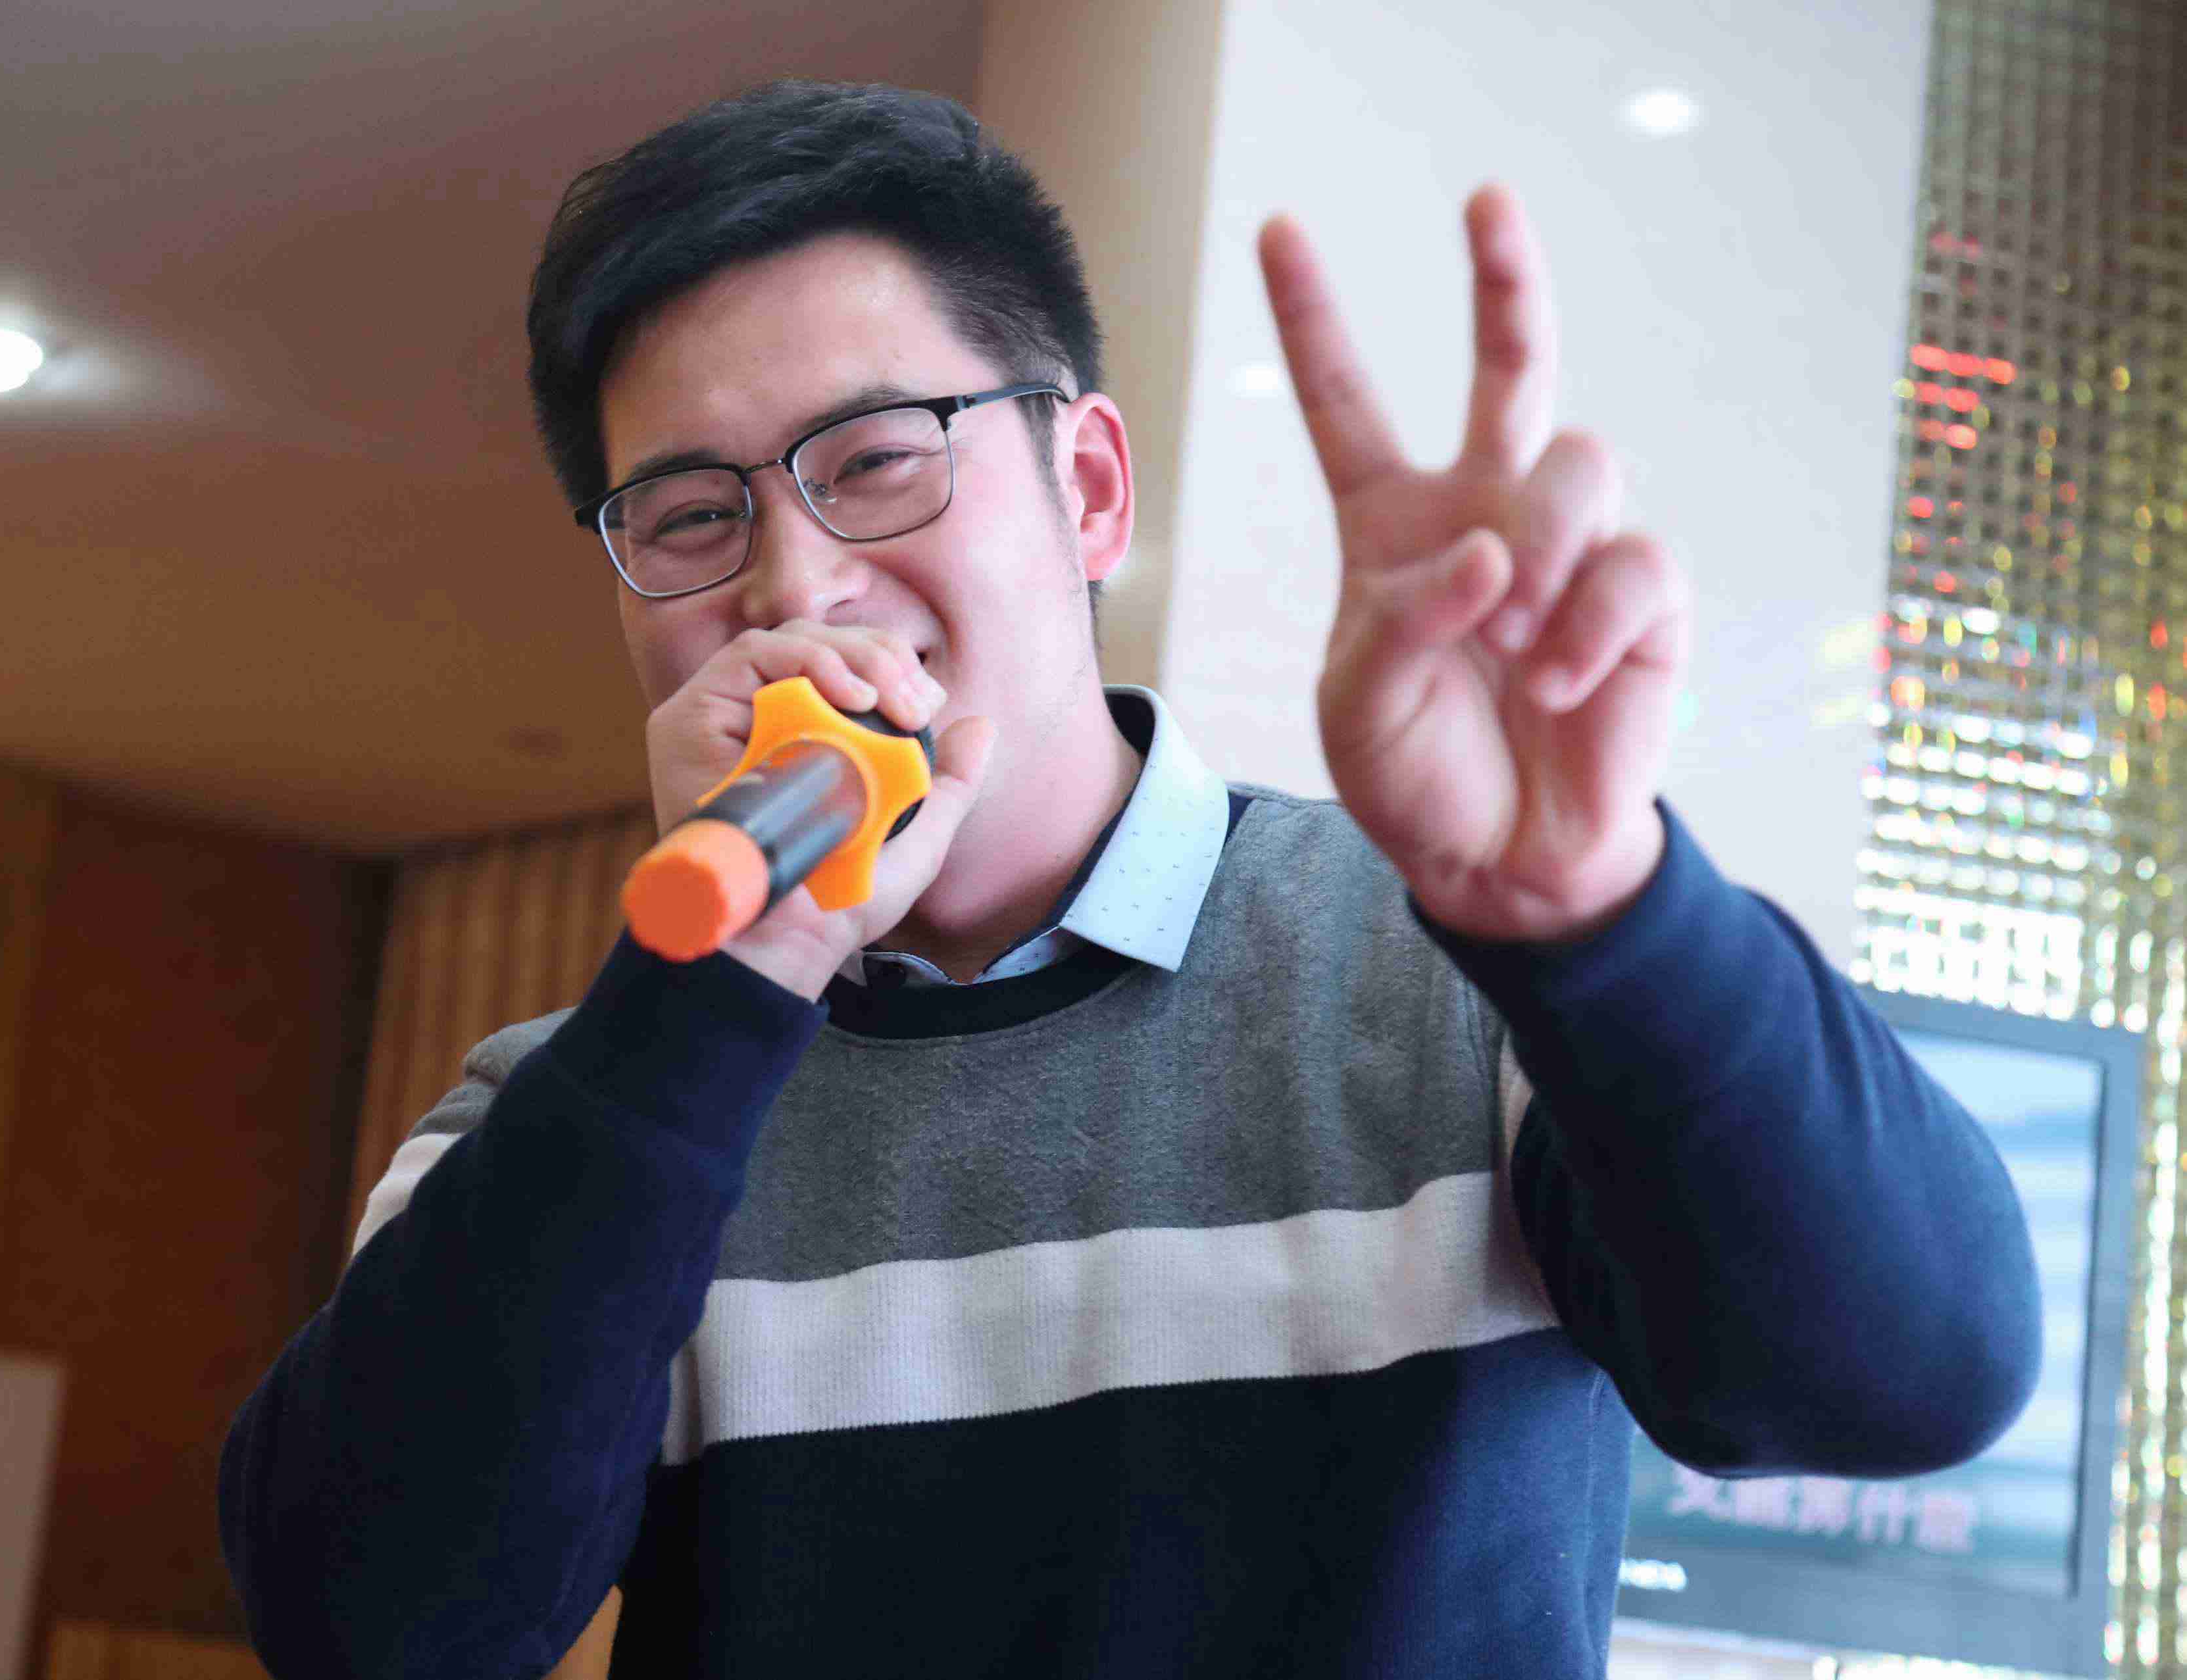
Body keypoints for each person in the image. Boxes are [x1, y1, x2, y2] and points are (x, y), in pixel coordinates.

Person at [218, 78, 2044, 1679]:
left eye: (877, 462)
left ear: (1088, 488)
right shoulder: (574, 1105)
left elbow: (1910, 1375)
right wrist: (708, 998)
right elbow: (374, 1627)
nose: (795, 586)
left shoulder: (1445, 980)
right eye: (693, 515)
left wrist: (1599, 911)